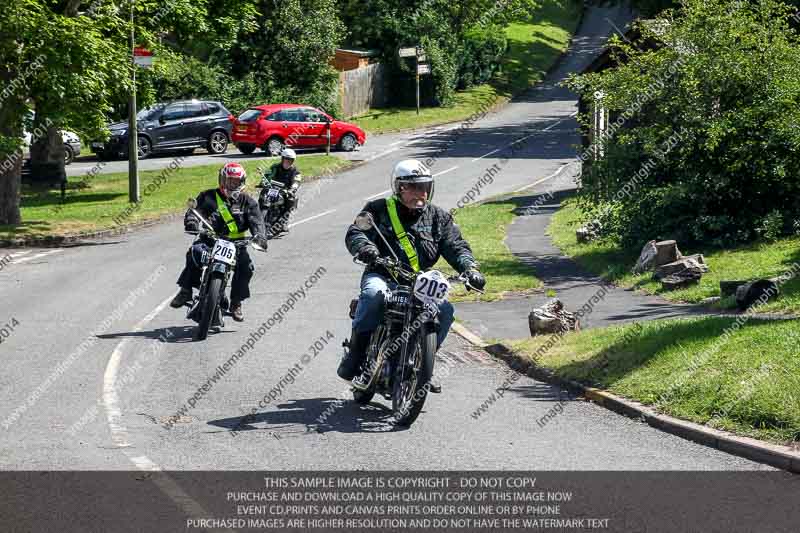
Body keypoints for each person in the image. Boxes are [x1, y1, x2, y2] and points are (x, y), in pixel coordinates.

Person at [339, 159, 486, 391]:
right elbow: (356, 232)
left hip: (419, 281)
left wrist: (470, 269)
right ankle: (355, 357)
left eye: (425, 187)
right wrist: (366, 249)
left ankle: (422, 362)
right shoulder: (378, 209)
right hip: (383, 273)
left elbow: (456, 246)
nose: (421, 192)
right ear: (399, 188)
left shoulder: (439, 217)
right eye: (414, 187)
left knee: (445, 310)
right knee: (374, 295)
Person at [170, 162, 269, 322]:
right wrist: (192, 222)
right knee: (194, 252)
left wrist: (260, 236)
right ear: (222, 180)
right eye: (229, 181)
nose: (232, 184)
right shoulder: (208, 196)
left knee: (246, 268)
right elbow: (194, 211)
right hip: (210, 240)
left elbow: (257, 222)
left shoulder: (248, 202)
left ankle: (236, 302)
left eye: (236, 182)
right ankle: (186, 290)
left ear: (242, 182)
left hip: (236, 244)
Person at [260, 148, 302, 234]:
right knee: (263, 193)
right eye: (286, 159)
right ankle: (260, 213)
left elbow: (296, 181)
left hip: (285, 191)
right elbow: (267, 175)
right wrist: (263, 182)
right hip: (273, 188)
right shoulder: (274, 167)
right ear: (282, 159)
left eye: (290, 160)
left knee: (291, 199)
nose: (288, 162)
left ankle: (284, 221)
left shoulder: (295, 171)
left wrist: (292, 189)